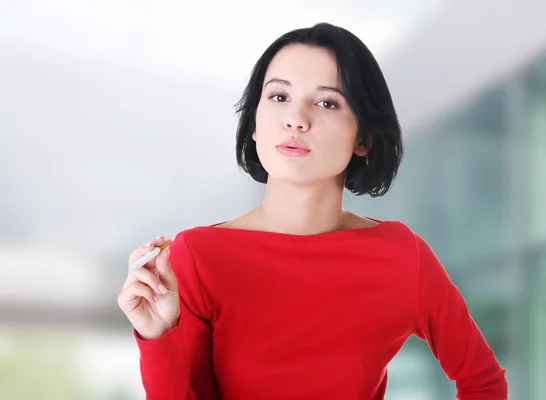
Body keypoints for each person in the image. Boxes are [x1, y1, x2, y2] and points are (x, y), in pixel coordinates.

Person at [117, 22, 508, 400]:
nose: (296, 119)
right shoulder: (198, 257)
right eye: (279, 97)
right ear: (255, 122)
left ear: (364, 138)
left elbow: (483, 384)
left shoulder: (404, 257)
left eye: (326, 102)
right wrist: (157, 335)